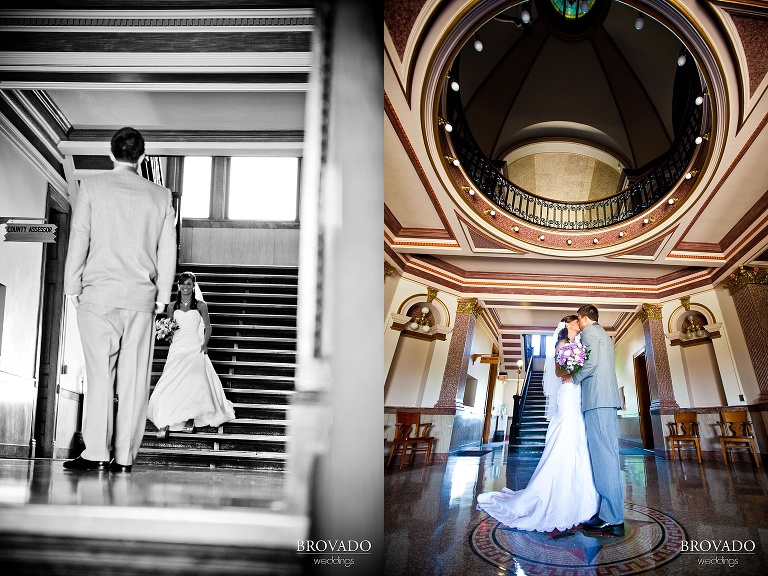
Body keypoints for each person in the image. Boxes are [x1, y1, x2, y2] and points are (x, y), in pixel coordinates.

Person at [63, 127, 176, 473]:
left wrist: (72, 287)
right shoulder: (161, 196)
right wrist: (162, 298)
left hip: (97, 297)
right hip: (141, 299)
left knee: (99, 376)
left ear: (111, 154)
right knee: (134, 381)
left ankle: (96, 451)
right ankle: (125, 457)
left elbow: (79, 238)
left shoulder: (92, 187)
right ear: (142, 157)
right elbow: (168, 251)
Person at [476, 315, 599, 532]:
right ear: (568, 325)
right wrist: (572, 371)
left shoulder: (578, 344)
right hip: (568, 394)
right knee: (567, 437)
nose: (580, 324)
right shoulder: (562, 344)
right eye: (576, 321)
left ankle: (581, 497)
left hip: (578, 394)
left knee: (579, 439)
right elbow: (559, 372)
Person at [147, 271, 235, 438]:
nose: (186, 287)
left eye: (189, 284)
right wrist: (166, 332)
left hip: (194, 347)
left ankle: (191, 417)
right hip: (177, 348)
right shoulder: (172, 306)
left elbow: (208, 327)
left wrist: (204, 344)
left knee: (194, 382)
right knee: (170, 381)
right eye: (183, 284)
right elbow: (170, 325)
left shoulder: (201, 305)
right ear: (179, 286)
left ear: (193, 286)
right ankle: (165, 417)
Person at [571, 304, 625, 536]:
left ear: (582, 318)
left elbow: (590, 364)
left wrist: (573, 377)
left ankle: (612, 518)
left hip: (598, 399)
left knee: (604, 457)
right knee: (607, 455)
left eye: (578, 319)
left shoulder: (589, 333)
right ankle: (610, 512)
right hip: (604, 400)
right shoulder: (604, 334)